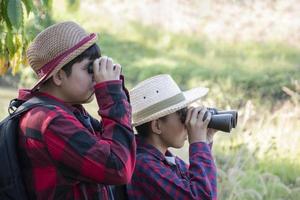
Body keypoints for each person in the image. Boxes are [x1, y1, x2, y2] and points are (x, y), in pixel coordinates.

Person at [17, 21, 136, 199]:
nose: (96, 77)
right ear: (59, 76)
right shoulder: (50, 121)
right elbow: (118, 168)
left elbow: (116, 147)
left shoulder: (64, 112)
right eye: (90, 68)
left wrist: (114, 92)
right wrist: (110, 93)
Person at [126, 74, 217, 200]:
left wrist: (205, 142)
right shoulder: (144, 165)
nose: (187, 124)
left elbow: (202, 186)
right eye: (182, 116)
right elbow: (202, 197)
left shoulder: (166, 160)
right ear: (157, 125)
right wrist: (198, 143)